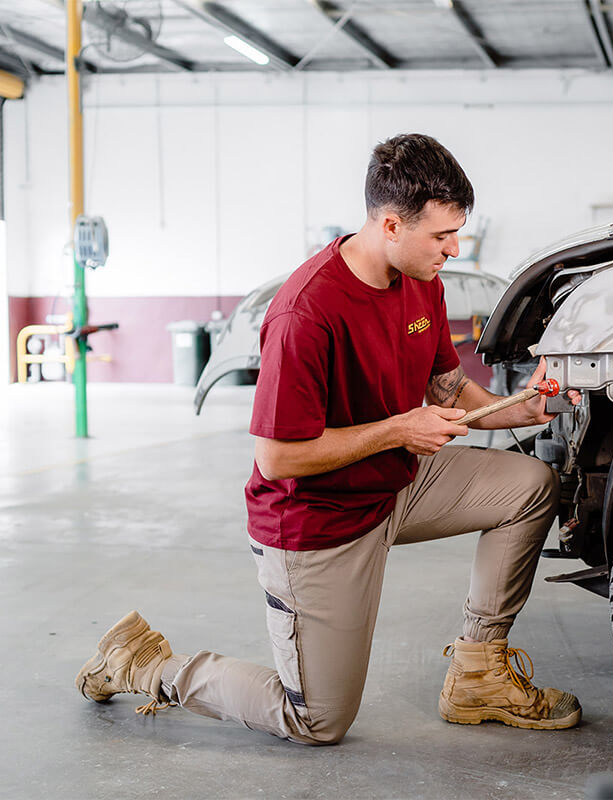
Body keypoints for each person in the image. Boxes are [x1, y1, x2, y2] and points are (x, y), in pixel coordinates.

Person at [75, 133, 582, 744]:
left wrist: (529, 407)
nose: (454, 248)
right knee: (315, 720)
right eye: (442, 236)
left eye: (457, 233)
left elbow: (448, 392)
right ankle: (147, 665)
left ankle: (478, 673)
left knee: (529, 484)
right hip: (317, 519)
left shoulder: (421, 278)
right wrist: (399, 428)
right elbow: (279, 456)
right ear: (391, 224)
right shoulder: (306, 313)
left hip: (396, 482)